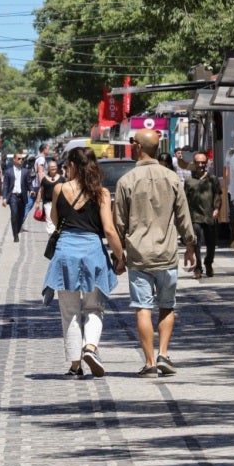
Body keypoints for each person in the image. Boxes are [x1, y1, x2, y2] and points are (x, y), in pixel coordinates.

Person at [114, 129, 198, 377]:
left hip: (139, 255)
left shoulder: (126, 181)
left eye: (131, 143)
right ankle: (163, 353)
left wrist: (118, 256)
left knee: (142, 308)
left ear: (138, 147)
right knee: (167, 306)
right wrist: (190, 246)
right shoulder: (172, 178)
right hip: (167, 253)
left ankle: (149, 363)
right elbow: (184, 217)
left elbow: (118, 224)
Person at [42, 148, 126, 378]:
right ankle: (90, 347)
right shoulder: (101, 194)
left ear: (71, 165)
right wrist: (120, 256)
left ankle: (75, 365)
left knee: (69, 312)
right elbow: (109, 229)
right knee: (94, 308)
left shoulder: (59, 188)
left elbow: (54, 220)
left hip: (65, 253)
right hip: (92, 253)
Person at [184, 151, 221, 279]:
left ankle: (208, 263)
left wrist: (216, 209)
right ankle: (198, 268)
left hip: (209, 215)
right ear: (193, 164)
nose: (200, 165)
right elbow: (185, 199)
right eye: (198, 162)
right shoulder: (189, 181)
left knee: (211, 243)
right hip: (194, 216)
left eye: (203, 162)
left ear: (207, 163)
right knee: (196, 243)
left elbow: (217, 195)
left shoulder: (213, 179)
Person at [1, 151, 34, 243]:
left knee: (21, 216)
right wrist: (4, 198)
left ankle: (18, 229)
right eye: (19, 158)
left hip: (22, 196)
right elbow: (6, 186)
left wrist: (31, 190)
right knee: (14, 214)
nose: (21, 160)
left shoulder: (25, 171)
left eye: (22, 159)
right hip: (12, 196)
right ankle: (15, 235)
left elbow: (29, 183)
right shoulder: (8, 172)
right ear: (14, 159)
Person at [38, 159, 66, 235]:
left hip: (59, 203)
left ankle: (57, 233)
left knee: (58, 219)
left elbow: (66, 190)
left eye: (55, 166)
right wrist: (37, 203)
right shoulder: (44, 179)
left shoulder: (62, 179)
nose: (53, 168)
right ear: (48, 168)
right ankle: (51, 235)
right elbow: (41, 191)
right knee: (49, 219)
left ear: (57, 168)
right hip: (48, 203)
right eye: (51, 167)